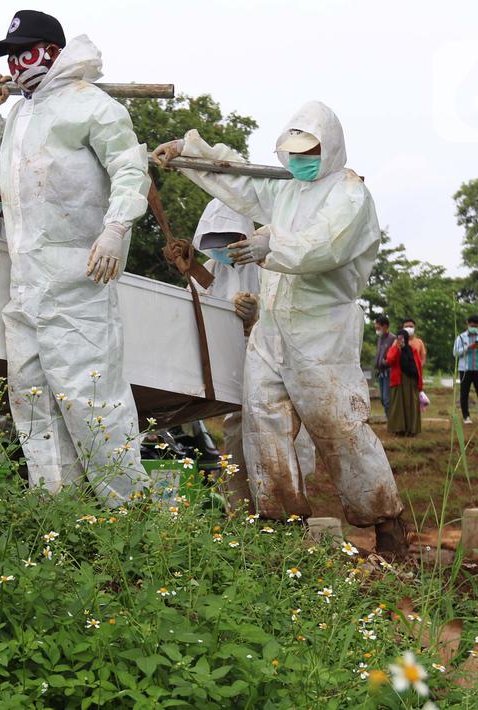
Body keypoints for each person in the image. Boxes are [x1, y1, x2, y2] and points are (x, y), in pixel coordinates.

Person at [151, 100, 408, 556]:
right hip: (271, 327)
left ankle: (386, 524)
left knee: (338, 426)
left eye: (309, 151)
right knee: (262, 421)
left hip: (321, 328)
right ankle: (280, 524)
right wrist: (189, 154)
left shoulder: (349, 195)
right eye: (293, 152)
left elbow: (324, 246)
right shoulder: (284, 189)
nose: (300, 160)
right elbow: (239, 182)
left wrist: (272, 244)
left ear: (329, 148)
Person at [0, 10, 151, 505]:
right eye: (9, 56)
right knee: (33, 406)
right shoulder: (21, 115)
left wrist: (116, 229)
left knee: (94, 406)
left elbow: (130, 170)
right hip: (27, 287)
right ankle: (62, 518)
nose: (15, 64)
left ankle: (133, 522)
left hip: (79, 283)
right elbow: (3, 183)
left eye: (23, 52)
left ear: (52, 50)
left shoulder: (92, 106)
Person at [174, 199, 315, 512]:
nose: (224, 247)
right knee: (237, 442)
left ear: (244, 235)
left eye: (230, 239)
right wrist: (189, 270)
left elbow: (292, 316)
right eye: (217, 240)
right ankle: (242, 518)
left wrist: (256, 316)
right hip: (234, 381)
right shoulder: (212, 269)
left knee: (279, 444)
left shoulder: (271, 269)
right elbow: (195, 305)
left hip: (274, 379)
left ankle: (288, 515)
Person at [453, 315, 478, 425]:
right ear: (467, 324)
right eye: (472, 326)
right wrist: (468, 347)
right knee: (464, 394)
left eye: (476, 326)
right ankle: (466, 416)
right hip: (465, 370)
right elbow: (455, 353)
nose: (474, 328)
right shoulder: (461, 337)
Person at [385, 329, 424, 436]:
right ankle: (399, 429)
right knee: (398, 405)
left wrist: (420, 384)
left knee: (411, 404)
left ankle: (412, 430)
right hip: (398, 381)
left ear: (406, 339)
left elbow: (418, 367)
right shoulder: (393, 349)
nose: (401, 340)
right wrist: (397, 349)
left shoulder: (412, 350)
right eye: (399, 338)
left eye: (402, 338)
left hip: (410, 382)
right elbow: (390, 360)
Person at [373, 315, 394, 414]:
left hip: (388, 372)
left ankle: (390, 421)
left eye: (378, 328)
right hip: (381, 372)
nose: (377, 330)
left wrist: (385, 362)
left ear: (385, 326)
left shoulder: (392, 339)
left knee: (387, 399)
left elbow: (393, 356)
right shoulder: (380, 339)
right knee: (382, 398)